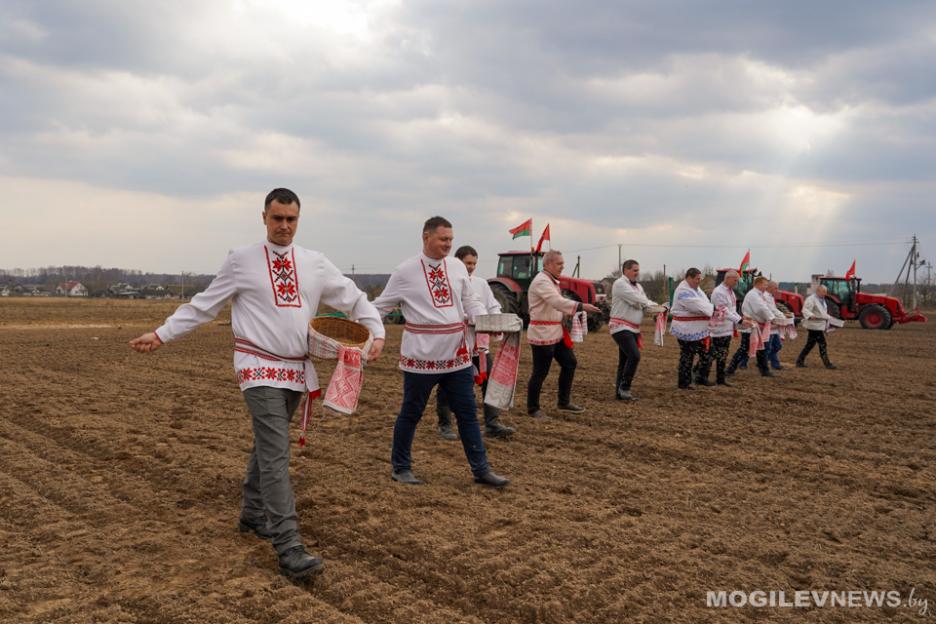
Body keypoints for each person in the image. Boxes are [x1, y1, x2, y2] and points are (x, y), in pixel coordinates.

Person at [129, 188, 386, 579]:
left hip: (296, 372)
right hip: (256, 367)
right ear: (264, 217)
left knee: (270, 443)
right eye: (277, 218)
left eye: (291, 219)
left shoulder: (315, 263)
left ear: (299, 219)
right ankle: (289, 547)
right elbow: (203, 305)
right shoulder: (241, 261)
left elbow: (354, 298)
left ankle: (251, 515)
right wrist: (161, 333)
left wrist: (375, 330)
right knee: (275, 454)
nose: (284, 226)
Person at [373, 217, 510, 487]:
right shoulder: (405, 271)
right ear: (426, 237)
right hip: (421, 358)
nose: (448, 244)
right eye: (443, 239)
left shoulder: (458, 266)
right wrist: (365, 327)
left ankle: (481, 469)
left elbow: (470, 300)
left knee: (468, 412)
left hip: (456, 356)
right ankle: (400, 467)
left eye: (451, 239)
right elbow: (380, 307)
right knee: (411, 412)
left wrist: (485, 322)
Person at [435, 245, 516, 440]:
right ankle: (445, 424)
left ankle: (492, 423)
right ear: (457, 261)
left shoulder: (481, 284)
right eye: (467, 263)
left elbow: (493, 305)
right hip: (455, 344)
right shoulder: (446, 282)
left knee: (489, 382)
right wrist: (473, 319)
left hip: (479, 346)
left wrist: (494, 319)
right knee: (448, 385)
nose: (471, 267)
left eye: (474, 263)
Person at [525, 250, 601, 417]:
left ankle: (563, 401)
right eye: (559, 263)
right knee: (540, 372)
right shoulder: (541, 282)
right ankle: (533, 408)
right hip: (542, 333)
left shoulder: (552, 281)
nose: (563, 266)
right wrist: (581, 306)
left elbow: (556, 304)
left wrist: (568, 313)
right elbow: (557, 301)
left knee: (570, 362)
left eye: (562, 263)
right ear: (548, 264)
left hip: (556, 331)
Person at [608, 259, 663, 400]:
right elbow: (639, 300)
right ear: (626, 270)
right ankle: (625, 388)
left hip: (633, 329)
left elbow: (643, 301)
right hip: (620, 327)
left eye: (638, 270)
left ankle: (620, 393)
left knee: (625, 360)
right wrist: (656, 307)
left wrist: (657, 307)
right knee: (634, 356)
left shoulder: (638, 286)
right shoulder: (620, 284)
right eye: (635, 270)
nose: (637, 273)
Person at [696, 269, 744, 387]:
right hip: (718, 329)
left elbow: (732, 310)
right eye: (735, 280)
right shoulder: (719, 292)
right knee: (713, 354)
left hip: (726, 329)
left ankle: (720, 378)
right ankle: (700, 376)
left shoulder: (730, 292)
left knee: (722, 355)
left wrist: (741, 319)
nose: (737, 282)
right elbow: (724, 311)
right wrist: (740, 320)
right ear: (727, 278)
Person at [669, 268, 715, 389]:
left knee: (708, 352)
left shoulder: (696, 289)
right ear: (689, 277)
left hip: (698, 329)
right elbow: (698, 306)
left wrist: (710, 307)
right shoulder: (683, 291)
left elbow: (705, 303)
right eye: (697, 279)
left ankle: (700, 376)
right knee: (687, 355)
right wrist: (712, 309)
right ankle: (684, 382)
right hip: (686, 329)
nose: (699, 281)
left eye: (700, 279)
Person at [796, 284, 837, 369]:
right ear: (818, 291)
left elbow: (823, 313)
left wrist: (831, 319)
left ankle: (799, 361)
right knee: (822, 344)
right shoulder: (811, 299)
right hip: (813, 326)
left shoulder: (822, 300)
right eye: (823, 292)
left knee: (810, 344)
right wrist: (811, 315)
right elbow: (805, 310)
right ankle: (827, 364)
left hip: (819, 325)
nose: (825, 294)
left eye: (826, 292)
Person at [764, 281, 790, 370]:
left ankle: (767, 361)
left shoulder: (770, 297)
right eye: (775, 288)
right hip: (769, 324)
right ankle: (773, 364)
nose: (777, 290)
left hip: (774, 324)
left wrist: (783, 315)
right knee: (769, 347)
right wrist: (783, 316)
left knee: (777, 346)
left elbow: (774, 309)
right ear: (769, 287)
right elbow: (772, 310)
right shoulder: (765, 297)